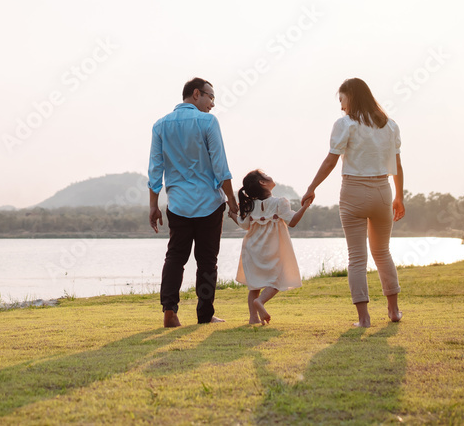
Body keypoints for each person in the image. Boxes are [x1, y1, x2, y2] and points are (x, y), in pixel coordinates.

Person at [301, 78, 406, 328]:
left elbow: (330, 161)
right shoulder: (390, 125)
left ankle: (364, 319)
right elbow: (398, 166)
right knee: (382, 253)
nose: (341, 107)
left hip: (353, 192)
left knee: (357, 258)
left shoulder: (345, 124)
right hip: (383, 191)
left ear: (351, 97)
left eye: (342, 100)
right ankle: (394, 311)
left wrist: (312, 187)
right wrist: (399, 197)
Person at [148, 77, 238, 327]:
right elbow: (220, 166)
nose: (212, 104)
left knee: (175, 257)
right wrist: (231, 200)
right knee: (207, 261)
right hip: (209, 203)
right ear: (196, 94)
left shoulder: (160, 125)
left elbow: (155, 169)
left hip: (177, 204)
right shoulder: (208, 122)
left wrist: (153, 205)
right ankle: (205, 315)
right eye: (211, 97)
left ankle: (169, 310)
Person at [230, 169, 308, 325]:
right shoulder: (280, 202)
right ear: (262, 182)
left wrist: (233, 214)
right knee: (277, 280)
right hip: (273, 250)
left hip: (253, 250)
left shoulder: (250, 206)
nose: (269, 176)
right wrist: (305, 206)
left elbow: (244, 225)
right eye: (266, 176)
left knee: (254, 285)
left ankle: (253, 318)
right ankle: (260, 302)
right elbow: (292, 221)